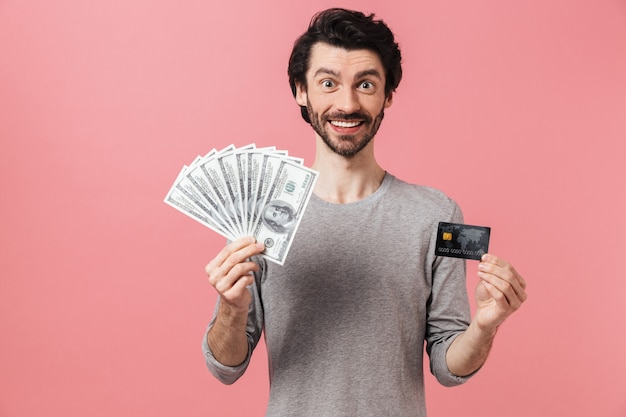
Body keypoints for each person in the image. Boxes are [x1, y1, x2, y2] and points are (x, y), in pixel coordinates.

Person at [202, 8, 527, 417]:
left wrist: (485, 325)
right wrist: (231, 309)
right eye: (328, 83)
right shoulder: (261, 212)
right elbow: (226, 366)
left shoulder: (437, 214)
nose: (347, 103)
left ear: (388, 95)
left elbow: (448, 365)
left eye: (366, 84)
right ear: (301, 91)